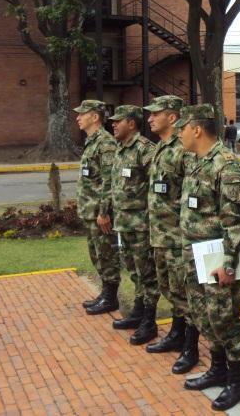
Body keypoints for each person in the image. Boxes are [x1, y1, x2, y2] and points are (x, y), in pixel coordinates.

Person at [177, 104, 240, 411]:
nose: (179, 134)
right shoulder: (196, 161)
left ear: (196, 129)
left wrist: (228, 263)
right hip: (194, 255)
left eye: (182, 128)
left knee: (224, 318)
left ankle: (236, 380)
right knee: (202, 314)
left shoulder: (227, 165)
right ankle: (217, 368)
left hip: (217, 257)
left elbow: (236, 220)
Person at [143, 95, 200, 374]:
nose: (150, 118)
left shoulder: (182, 150)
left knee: (185, 293)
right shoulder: (161, 147)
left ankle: (191, 347)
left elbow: (191, 196)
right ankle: (177, 334)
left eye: (156, 113)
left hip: (178, 238)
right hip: (161, 235)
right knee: (170, 289)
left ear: (173, 118)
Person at [108, 105, 159, 345]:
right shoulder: (119, 149)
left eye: (118, 120)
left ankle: (149, 322)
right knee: (134, 271)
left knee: (147, 274)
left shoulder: (144, 150)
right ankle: (138, 313)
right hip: (124, 224)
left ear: (132, 123)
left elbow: (157, 189)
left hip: (141, 226)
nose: (114, 124)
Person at [74, 100, 121, 314]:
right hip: (89, 210)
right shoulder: (92, 142)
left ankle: (111, 298)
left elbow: (109, 181)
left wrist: (104, 212)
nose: (78, 117)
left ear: (95, 117)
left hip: (99, 213)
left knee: (106, 254)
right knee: (97, 254)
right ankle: (105, 293)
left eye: (82, 114)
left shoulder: (105, 144)